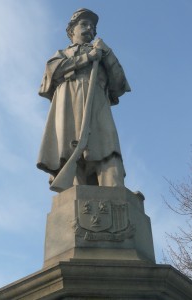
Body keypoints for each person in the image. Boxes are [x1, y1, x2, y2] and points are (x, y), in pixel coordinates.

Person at [37, 8, 131, 191]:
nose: (91, 29)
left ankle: (116, 192)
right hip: (67, 106)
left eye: (93, 26)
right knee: (70, 154)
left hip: (97, 106)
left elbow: (119, 83)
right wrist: (87, 58)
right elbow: (52, 71)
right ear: (72, 29)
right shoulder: (61, 54)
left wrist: (107, 54)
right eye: (84, 24)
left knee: (108, 149)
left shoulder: (103, 54)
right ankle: (74, 194)